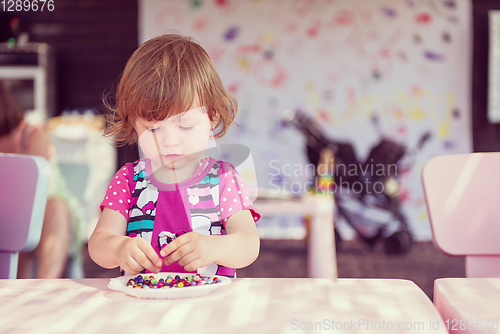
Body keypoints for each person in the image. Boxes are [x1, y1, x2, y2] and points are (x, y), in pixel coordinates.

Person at [88, 34, 260, 277]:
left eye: (186, 126)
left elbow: (249, 244)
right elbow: (98, 244)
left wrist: (213, 247)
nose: (169, 141)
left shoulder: (223, 178)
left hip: (211, 306)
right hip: (143, 305)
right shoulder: (128, 179)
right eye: (153, 129)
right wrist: (118, 247)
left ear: (212, 116)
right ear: (133, 123)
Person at [0, 81, 86, 278]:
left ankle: (43, 285)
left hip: (47, 214)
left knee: (55, 207)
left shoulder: (32, 134)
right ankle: (13, 291)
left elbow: (40, 189)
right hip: (9, 215)